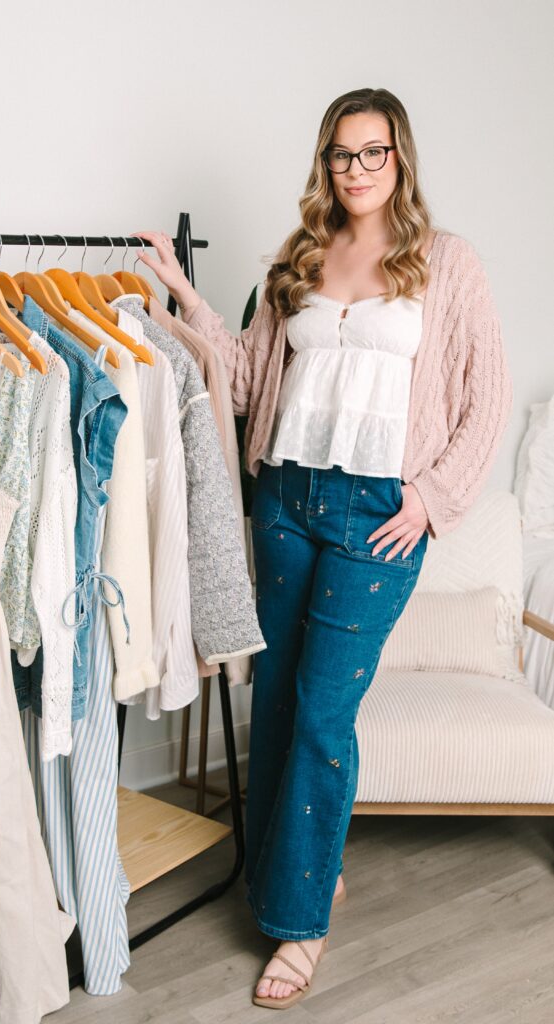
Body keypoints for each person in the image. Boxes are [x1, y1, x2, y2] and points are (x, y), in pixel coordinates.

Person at [133, 86, 513, 1010]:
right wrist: (182, 295)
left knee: (317, 712)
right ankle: (299, 871)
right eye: (342, 155)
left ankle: (297, 929)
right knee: (278, 696)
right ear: (326, 162)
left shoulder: (445, 263)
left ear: (400, 157)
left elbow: (484, 392)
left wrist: (430, 498)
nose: (356, 170)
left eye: (372, 153)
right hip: (289, 498)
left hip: (377, 512)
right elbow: (250, 375)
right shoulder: (295, 262)